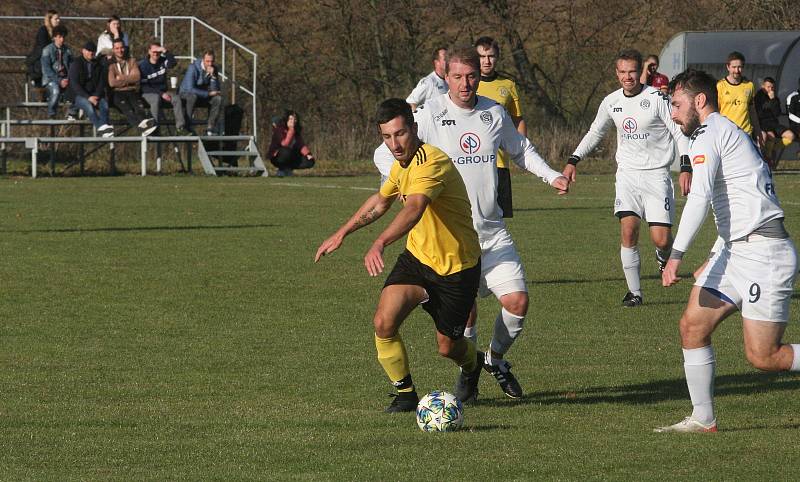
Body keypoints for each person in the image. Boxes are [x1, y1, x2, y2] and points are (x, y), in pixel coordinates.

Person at [376, 46, 569, 400]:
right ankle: (470, 375)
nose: (465, 84)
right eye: (458, 77)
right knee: (464, 321)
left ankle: (493, 359)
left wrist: (551, 175)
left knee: (518, 302)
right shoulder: (430, 114)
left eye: (471, 76)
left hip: (492, 235)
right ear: (445, 77)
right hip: (449, 241)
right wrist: (403, 181)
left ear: (479, 75)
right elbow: (382, 151)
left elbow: (520, 149)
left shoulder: (493, 112)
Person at [315, 98, 483, 413]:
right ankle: (405, 394)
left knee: (448, 348)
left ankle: (473, 365)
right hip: (418, 260)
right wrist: (341, 233)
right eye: (387, 137)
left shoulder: (431, 162)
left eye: (400, 134)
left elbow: (415, 208)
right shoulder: (400, 166)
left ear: (414, 129)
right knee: (383, 322)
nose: (394, 143)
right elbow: (380, 202)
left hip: (456, 268)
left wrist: (380, 242)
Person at [656, 68, 799, 433]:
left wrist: (676, 255)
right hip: (737, 250)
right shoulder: (721, 133)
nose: (673, 113)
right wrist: (718, 250)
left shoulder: (709, 133)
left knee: (764, 357)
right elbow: (736, 203)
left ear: (699, 101)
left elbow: (701, 197)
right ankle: (703, 419)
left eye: (677, 104)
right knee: (691, 326)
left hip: (765, 254)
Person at [564, 49, 691, 307]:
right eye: (622, 72)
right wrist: (573, 160)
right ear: (616, 73)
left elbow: (679, 133)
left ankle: (661, 254)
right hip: (627, 176)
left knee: (661, 239)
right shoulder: (611, 101)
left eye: (632, 71)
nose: (627, 77)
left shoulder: (657, 98)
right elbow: (595, 132)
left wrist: (686, 165)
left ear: (641, 70)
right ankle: (635, 293)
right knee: (628, 232)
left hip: (657, 175)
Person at [474, 36, 526, 218]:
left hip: (500, 163)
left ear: (497, 57)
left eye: (491, 56)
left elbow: (517, 120)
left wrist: (521, 152)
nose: (486, 61)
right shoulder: (467, 85)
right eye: (481, 56)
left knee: (499, 220)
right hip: (474, 162)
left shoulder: (508, 85)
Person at [107, 39, 156, 136]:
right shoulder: (110, 64)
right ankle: (141, 128)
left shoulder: (132, 61)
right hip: (117, 93)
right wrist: (129, 80)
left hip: (131, 91)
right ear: (113, 49)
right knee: (128, 110)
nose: (120, 50)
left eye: (121, 48)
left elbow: (137, 77)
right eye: (117, 48)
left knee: (139, 108)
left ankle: (146, 127)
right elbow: (112, 83)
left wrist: (121, 78)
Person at [138, 40, 186, 134]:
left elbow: (173, 63)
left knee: (176, 98)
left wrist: (165, 50)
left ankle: (180, 127)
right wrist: (161, 94)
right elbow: (144, 86)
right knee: (156, 99)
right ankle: (154, 127)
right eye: (153, 51)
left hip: (163, 91)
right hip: (148, 92)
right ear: (149, 51)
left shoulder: (162, 62)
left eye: (158, 52)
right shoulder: (143, 65)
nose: (156, 54)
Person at [717, 51, 764, 145]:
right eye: (734, 67)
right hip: (726, 134)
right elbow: (715, 112)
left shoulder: (749, 86)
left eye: (740, 67)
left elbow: (752, 111)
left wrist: (758, 132)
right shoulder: (720, 86)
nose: (737, 70)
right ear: (728, 67)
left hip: (745, 133)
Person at [68, 41, 113, 138]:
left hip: (94, 94)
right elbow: (75, 85)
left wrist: (96, 95)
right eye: (88, 51)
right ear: (83, 51)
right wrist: (88, 97)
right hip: (78, 95)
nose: (91, 53)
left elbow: (102, 82)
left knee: (104, 104)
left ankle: (104, 127)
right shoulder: (76, 64)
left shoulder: (99, 65)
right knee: (89, 107)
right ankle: (101, 128)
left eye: (93, 51)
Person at [178, 50, 223, 136]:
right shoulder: (193, 68)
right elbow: (190, 89)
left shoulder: (214, 69)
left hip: (202, 95)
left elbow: (215, 90)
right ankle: (186, 125)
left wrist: (213, 77)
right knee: (193, 96)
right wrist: (208, 94)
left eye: (212, 61)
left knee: (218, 99)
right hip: (186, 94)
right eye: (207, 61)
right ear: (203, 60)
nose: (210, 64)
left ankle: (210, 127)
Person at [754, 77, 795, 169]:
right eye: (768, 87)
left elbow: (777, 113)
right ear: (763, 86)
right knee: (768, 136)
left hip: (774, 123)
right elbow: (759, 113)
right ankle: (764, 161)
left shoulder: (774, 98)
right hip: (762, 123)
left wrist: (773, 100)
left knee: (790, 136)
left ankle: (771, 148)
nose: (770, 89)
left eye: (772, 87)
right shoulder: (758, 97)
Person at [40, 24, 79, 120]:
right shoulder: (47, 50)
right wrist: (59, 81)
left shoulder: (67, 50)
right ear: (54, 37)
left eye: (63, 37)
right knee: (55, 90)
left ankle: (72, 113)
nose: (62, 39)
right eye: (59, 37)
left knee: (79, 89)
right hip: (50, 80)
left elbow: (72, 67)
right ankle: (51, 113)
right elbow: (47, 70)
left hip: (65, 79)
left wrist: (68, 79)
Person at [268, 110, 315, 177]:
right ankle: (281, 169)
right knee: (286, 151)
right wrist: (291, 129)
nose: (293, 121)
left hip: (291, 155)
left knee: (310, 161)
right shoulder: (279, 130)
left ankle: (288, 169)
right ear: (286, 119)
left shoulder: (296, 132)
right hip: (277, 156)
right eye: (291, 119)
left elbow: (301, 145)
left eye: (295, 119)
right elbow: (285, 144)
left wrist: (308, 154)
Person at [406, 47, 448, 111]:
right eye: (445, 59)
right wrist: (419, 119)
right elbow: (410, 102)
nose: (449, 61)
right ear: (436, 62)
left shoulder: (451, 80)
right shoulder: (428, 82)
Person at [26, 9, 60, 87]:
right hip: (40, 60)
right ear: (50, 19)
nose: (58, 20)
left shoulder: (57, 31)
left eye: (59, 18)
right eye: (56, 19)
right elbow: (44, 48)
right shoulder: (43, 30)